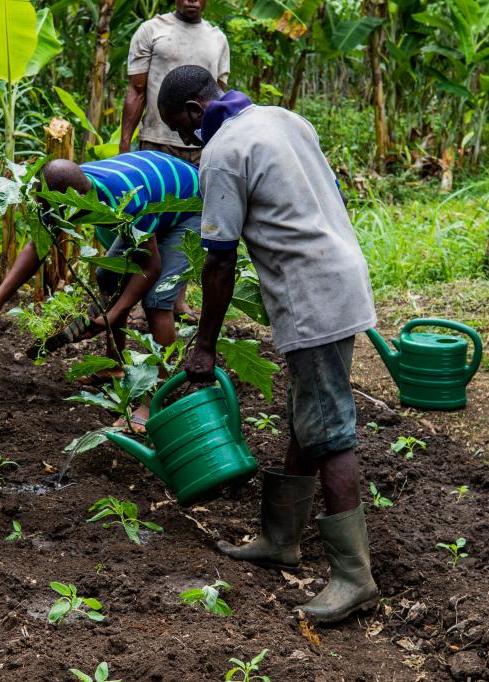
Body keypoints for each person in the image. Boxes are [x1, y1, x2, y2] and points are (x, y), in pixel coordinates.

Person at [157, 65, 379, 623]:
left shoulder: (224, 151)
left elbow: (220, 258)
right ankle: (280, 539)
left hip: (310, 293)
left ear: (191, 110)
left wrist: (204, 344)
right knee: (311, 413)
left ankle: (353, 577)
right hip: (340, 271)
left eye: (185, 132)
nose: (191, 142)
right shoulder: (283, 118)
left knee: (331, 431)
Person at [0, 151, 200, 425]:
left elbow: (151, 268)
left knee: (157, 301)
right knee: (108, 278)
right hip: (157, 200)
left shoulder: (122, 199)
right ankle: (113, 368)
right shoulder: (59, 193)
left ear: (77, 200)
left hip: (189, 206)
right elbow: (38, 246)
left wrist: (112, 315)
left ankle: (156, 400)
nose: (52, 215)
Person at [120, 0, 230, 165]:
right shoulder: (151, 30)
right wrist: (124, 144)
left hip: (203, 147)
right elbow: (137, 91)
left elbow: (218, 97)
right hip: (157, 142)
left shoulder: (218, 39)